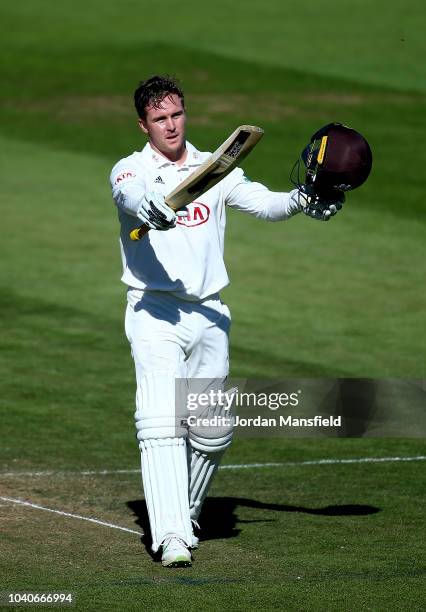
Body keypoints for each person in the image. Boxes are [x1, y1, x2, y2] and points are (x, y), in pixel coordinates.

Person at [109, 75, 342, 568]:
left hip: (211, 312)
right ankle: (170, 535)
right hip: (155, 311)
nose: (170, 126)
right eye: (159, 119)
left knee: (213, 431)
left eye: (176, 115)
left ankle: (186, 514)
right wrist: (147, 207)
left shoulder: (215, 169)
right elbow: (128, 197)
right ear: (143, 124)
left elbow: (268, 204)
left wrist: (304, 198)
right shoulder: (130, 172)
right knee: (159, 423)